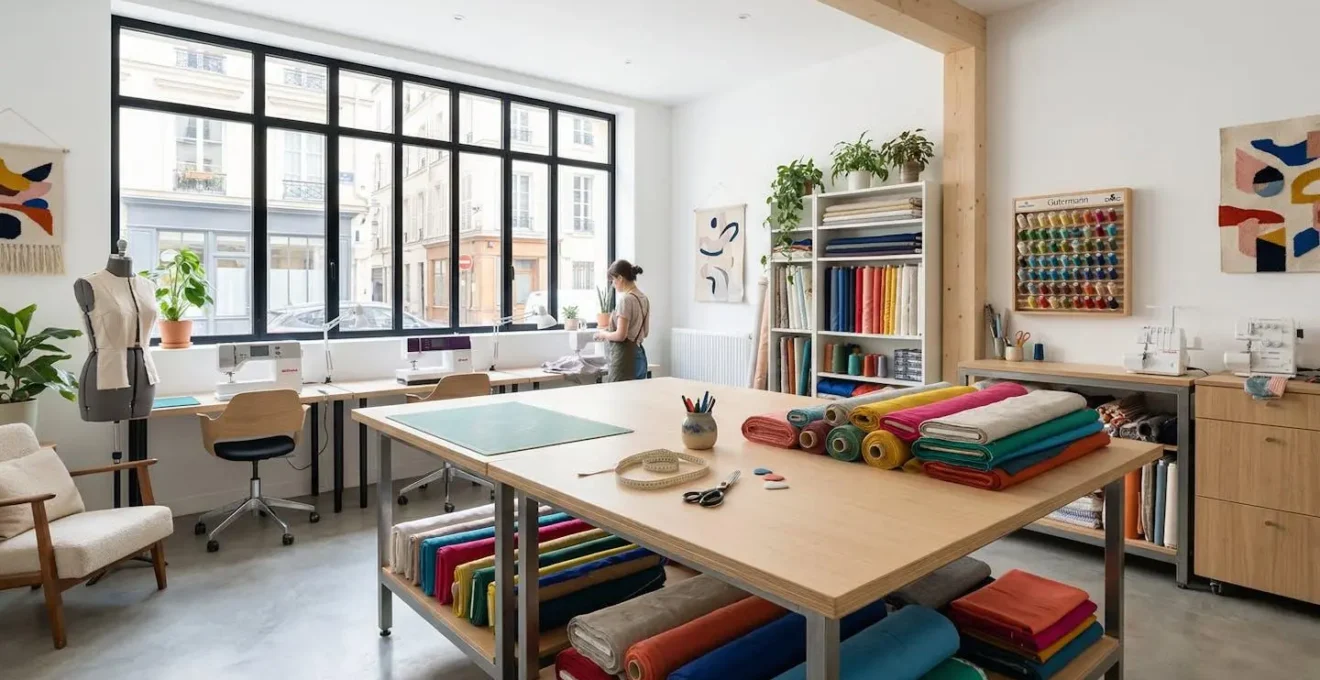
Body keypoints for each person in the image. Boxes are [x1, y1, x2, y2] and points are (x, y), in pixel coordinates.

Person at [594, 259, 650, 382]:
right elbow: (645, 332)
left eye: (613, 280)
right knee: (637, 399)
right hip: (640, 357)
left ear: (620, 278)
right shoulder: (644, 299)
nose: (613, 285)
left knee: (620, 398)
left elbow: (621, 335)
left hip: (625, 360)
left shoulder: (626, 300)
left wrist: (603, 334)